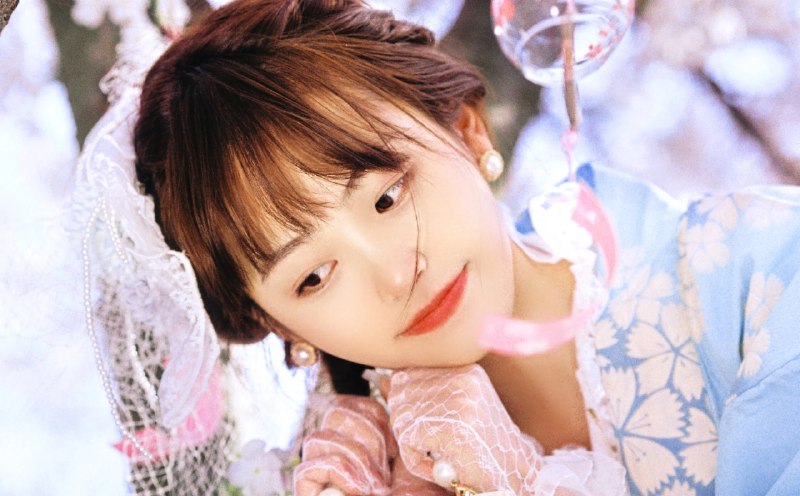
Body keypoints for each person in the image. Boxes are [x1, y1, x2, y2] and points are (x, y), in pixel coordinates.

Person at [133, 0, 800, 494]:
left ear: (466, 132)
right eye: (314, 277)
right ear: (281, 325)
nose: (396, 273)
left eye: (388, 197)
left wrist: (519, 482)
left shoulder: (763, 269)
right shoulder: (357, 474)